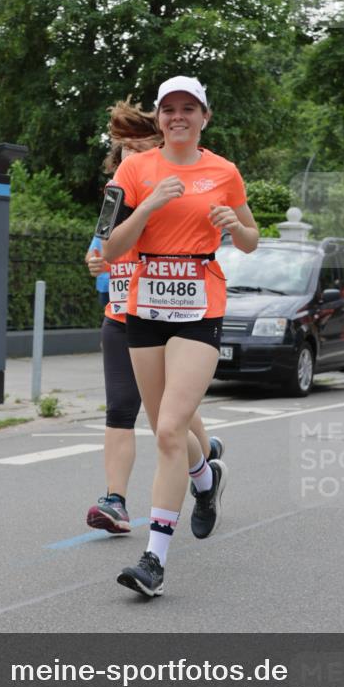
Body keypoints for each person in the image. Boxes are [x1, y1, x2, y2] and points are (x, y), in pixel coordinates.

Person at [102, 76, 259, 596]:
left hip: (199, 306)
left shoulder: (224, 172)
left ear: (204, 117)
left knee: (170, 428)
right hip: (145, 305)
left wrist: (233, 227)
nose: (178, 117)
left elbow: (252, 238)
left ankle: (154, 559)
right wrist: (147, 207)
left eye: (188, 108)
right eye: (169, 109)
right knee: (160, 427)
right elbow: (108, 248)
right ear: (159, 117)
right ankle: (205, 481)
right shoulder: (134, 169)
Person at [86, 100, 224, 535]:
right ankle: (115, 500)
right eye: (123, 152)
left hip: (170, 319)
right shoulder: (115, 199)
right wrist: (99, 266)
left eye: (138, 149)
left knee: (170, 417)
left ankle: (205, 466)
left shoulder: (176, 194)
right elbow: (100, 255)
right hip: (122, 317)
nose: (130, 159)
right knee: (121, 409)